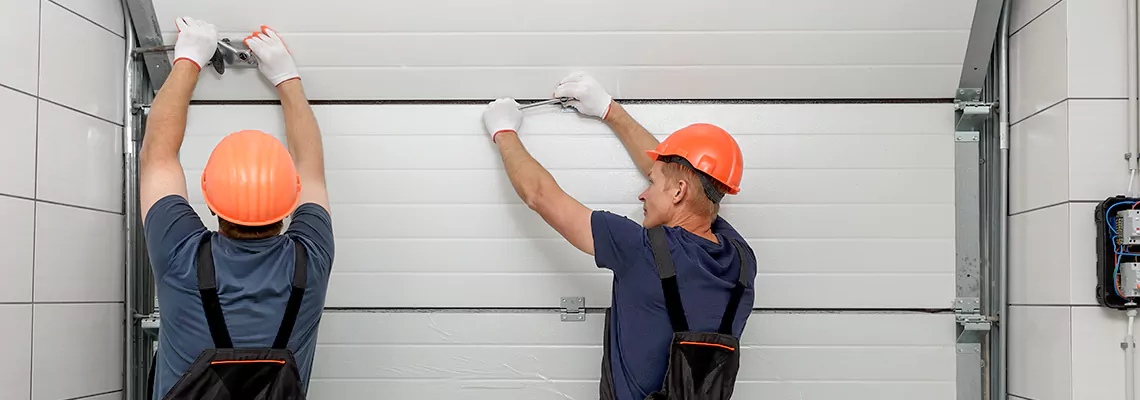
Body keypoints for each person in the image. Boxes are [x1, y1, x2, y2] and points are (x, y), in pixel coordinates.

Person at [482, 72, 756, 400]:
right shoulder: (741, 260)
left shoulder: (641, 251)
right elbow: (692, 187)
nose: (643, 194)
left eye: (651, 183)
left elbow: (539, 195)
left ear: (679, 192)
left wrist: (503, 131)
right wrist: (608, 110)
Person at [140, 17, 333, 399]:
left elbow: (157, 155)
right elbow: (311, 169)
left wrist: (189, 59)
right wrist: (286, 76)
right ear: (291, 197)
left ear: (208, 194)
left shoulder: (179, 255)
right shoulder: (311, 261)